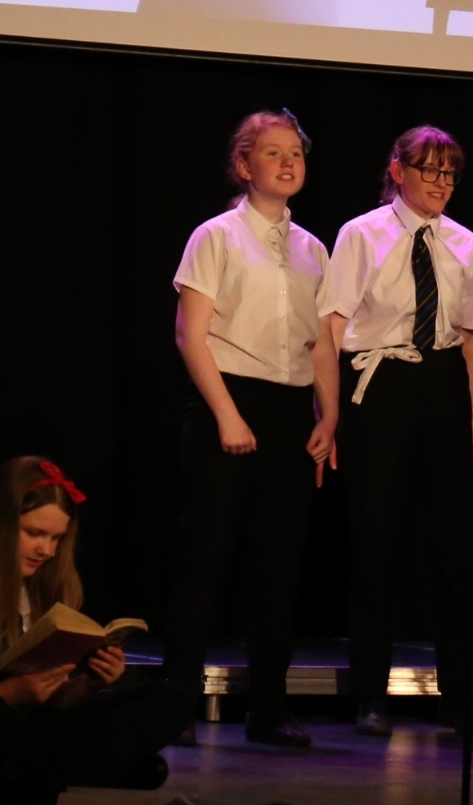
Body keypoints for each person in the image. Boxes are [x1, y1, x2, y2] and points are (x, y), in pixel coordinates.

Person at [162, 109, 339, 748]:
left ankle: (267, 710)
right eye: (272, 152)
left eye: (296, 153)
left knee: (278, 567)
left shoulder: (313, 248)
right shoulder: (216, 236)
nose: (288, 163)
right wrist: (227, 414)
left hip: (290, 411)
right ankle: (174, 705)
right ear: (243, 164)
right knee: (205, 560)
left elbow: (321, 343)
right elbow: (191, 334)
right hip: (227, 400)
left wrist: (329, 417)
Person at [0, 457, 193, 805]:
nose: (47, 551)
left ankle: (45, 777)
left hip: (17, 733)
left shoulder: (31, 592)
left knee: (170, 697)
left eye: (56, 538)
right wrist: (7, 693)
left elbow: (46, 702)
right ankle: (74, 773)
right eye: (34, 534)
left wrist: (88, 684)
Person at [322, 125, 473, 738]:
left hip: (442, 384)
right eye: (430, 170)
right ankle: (371, 695)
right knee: (376, 542)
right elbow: (333, 325)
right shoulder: (361, 234)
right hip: (382, 384)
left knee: (455, 546)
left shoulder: (465, 243)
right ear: (398, 171)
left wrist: (469, 426)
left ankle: (457, 697)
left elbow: (469, 339)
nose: (442, 183)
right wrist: (330, 414)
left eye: (450, 173)